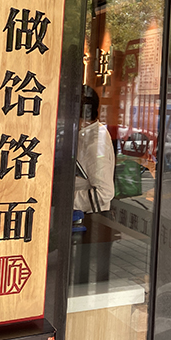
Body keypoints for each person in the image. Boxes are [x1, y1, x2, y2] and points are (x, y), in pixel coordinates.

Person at [73, 85, 116, 284]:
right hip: (86, 217)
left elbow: (105, 192)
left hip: (93, 219)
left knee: (86, 276)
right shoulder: (88, 134)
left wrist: (68, 199)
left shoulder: (94, 143)